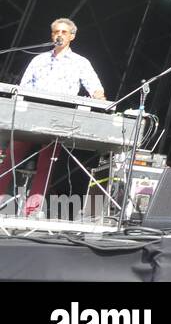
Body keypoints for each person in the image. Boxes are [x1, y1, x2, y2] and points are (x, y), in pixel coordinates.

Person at [2, 18, 105, 216]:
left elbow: (96, 88)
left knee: (45, 166)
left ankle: (31, 212)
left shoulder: (81, 63)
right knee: (9, 160)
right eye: (56, 31)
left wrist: (99, 96)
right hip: (31, 114)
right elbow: (23, 88)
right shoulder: (38, 60)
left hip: (58, 118)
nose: (59, 35)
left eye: (64, 32)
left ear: (72, 36)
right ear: (52, 35)